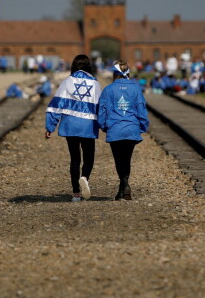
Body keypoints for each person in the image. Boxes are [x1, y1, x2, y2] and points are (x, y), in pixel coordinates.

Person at [45, 54, 101, 202]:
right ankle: (84, 178)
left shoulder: (67, 81)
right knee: (89, 158)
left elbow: (57, 103)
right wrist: (105, 126)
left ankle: (76, 193)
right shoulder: (95, 84)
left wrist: (50, 126)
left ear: (73, 66)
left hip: (70, 124)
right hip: (88, 125)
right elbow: (100, 108)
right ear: (89, 66)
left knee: (75, 158)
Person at [98, 59, 149, 200]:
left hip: (115, 129)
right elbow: (141, 110)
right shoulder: (136, 88)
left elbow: (102, 111)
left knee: (118, 159)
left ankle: (124, 184)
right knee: (127, 158)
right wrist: (142, 127)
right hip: (131, 128)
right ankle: (123, 188)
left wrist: (103, 126)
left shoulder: (108, 90)